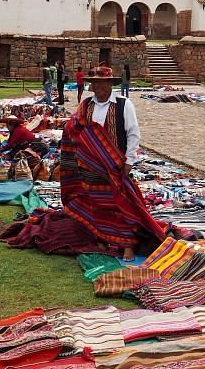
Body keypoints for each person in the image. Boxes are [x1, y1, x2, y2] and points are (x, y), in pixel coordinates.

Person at [60, 64, 166, 262]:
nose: (97, 87)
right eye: (94, 83)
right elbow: (75, 129)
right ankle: (102, 239)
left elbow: (133, 134)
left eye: (101, 83)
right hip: (91, 168)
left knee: (121, 206)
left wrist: (129, 161)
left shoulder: (124, 105)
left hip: (116, 166)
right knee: (96, 205)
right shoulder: (85, 105)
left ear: (110, 84)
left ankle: (127, 246)